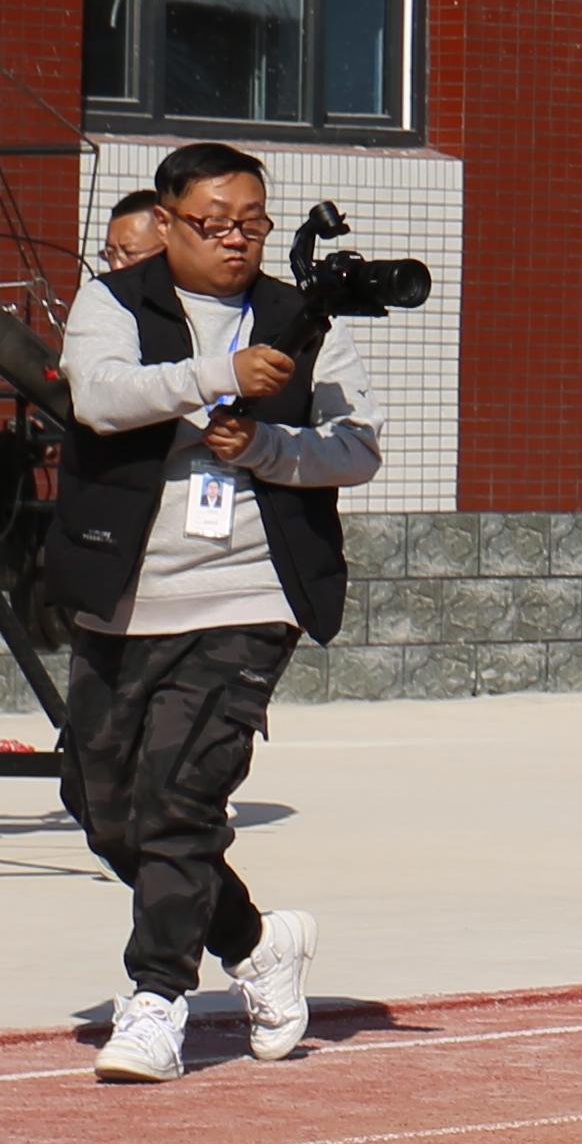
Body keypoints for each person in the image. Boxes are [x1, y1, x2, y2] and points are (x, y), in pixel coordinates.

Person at [48, 142, 383, 1081]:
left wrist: (268, 448)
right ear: (168, 220)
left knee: (181, 800)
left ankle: (156, 998)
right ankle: (258, 944)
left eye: (254, 223)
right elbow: (102, 400)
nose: (236, 240)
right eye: (215, 223)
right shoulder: (117, 302)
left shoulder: (300, 316)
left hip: (247, 596)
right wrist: (217, 374)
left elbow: (355, 447)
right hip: (124, 597)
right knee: (105, 808)